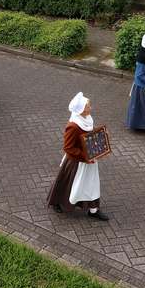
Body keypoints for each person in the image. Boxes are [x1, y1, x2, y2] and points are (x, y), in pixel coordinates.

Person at [46, 92, 109, 221]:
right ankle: (57, 201)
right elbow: (68, 148)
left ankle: (93, 210)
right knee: (69, 183)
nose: (90, 108)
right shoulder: (73, 126)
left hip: (89, 159)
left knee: (91, 183)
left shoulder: (87, 118)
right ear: (81, 109)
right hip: (76, 162)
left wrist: (101, 134)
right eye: (88, 106)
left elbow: (89, 133)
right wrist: (85, 157)